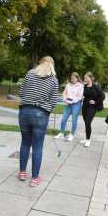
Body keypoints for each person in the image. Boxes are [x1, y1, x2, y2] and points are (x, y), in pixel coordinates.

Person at [18, 56, 59, 187]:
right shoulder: (53, 80)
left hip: (24, 111)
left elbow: (21, 92)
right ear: (52, 65)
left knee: (25, 143)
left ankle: (22, 172)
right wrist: (46, 110)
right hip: (41, 114)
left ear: (40, 63)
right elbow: (53, 102)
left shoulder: (30, 73)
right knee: (37, 147)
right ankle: (35, 178)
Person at [54, 72, 84, 141]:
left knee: (74, 120)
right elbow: (64, 93)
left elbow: (80, 96)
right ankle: (61, 133)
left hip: (76, 104)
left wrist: (71, 101)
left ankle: (72, 134)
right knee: (64, 118)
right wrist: (65, 100)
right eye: (71, 78)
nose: (72, 79)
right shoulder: (68, 85)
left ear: (77, 78)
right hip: (68, 104)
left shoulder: (80, 86)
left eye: (73, 78)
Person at [81, 72, 105, 147]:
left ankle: (88, 140)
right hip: (85, 106)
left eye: (86, 78)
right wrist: (83, 97)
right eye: (84, 78)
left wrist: (95, 102)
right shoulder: (85, 86)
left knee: (88, 122)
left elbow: (103, 96)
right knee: (86, 122)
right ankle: (86, 137)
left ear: (90, 78)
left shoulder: (96, 86)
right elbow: (85, 95)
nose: (85, 79)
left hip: (92, 107)